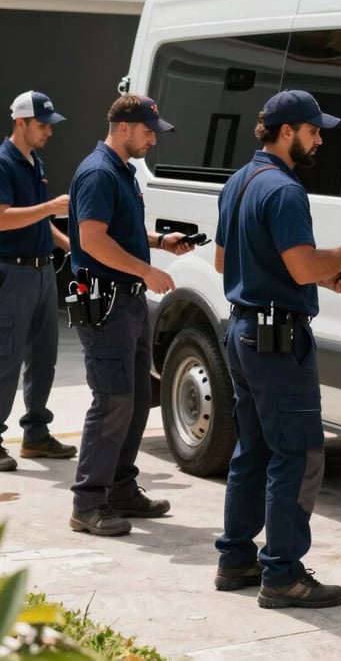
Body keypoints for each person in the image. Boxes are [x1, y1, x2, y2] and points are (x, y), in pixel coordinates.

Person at [213, 89, 341, 608]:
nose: (320, 140)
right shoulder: (285, 190)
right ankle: (283, 574)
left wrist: (323, 278)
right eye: (314, 131)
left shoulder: (238, 182)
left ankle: (236, 558)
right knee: (301, 453)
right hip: (277, 341)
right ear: (287, 131)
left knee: (254, 450)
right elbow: (300, 265)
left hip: (243, 331)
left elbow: (228, 261)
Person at [67, 94, 196, 537]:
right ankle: (88, 503)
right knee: (113, 399)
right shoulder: (99, 172)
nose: (151, 141)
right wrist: (146, 269)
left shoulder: (121, 170)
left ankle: (120, 488)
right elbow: (92, 239)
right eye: (147, 132)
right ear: (123, 127)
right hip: (105, 303)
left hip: (127, 300)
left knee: (138, 397)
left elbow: (119, 231)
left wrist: (160, 242)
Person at [0, 90, 76, 472]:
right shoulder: (3, 163)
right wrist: (48, 207)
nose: (48, 131)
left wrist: (71, 247)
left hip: (42, 270)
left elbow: (40, 222)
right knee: (6, 356)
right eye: (42, 125)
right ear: (21, 122)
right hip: (12, 272)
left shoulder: (35, 161)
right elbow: (1, 218)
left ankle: (35, 434)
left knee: (44, 356)